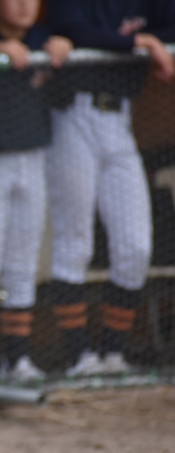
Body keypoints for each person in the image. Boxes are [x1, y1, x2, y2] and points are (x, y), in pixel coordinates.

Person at [46, 0, 175, 376]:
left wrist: (146, 40)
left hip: (120, 120)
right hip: (74, 117)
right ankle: (78, 358)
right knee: (75, 241)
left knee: (136, 246)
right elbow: (71, 28)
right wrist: (140, 43)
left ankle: (112, 354)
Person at [0, 0, 72, 383]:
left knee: (23, 261)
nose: (24, 5)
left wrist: (62, 48)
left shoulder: (43, 37)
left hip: (34, 156)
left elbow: (64, 96)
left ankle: (16, 361)